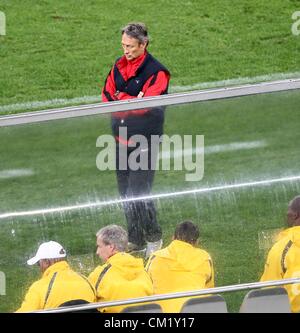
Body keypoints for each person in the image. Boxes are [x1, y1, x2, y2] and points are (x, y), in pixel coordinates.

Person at [101, 22, 171, 257]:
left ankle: (154, 236)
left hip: (145, 142)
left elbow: (145, 106)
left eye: (130, 46)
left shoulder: (157, 71)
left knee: (139, 193)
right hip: (121, 140)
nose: (126, 50)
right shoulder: (118, 66)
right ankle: (136, 239)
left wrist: (123, 100)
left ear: (144, 44)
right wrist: (130, 99)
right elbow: (106, 96)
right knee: (125, 194)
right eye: (123, 45)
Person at [145, 221, 214, 312]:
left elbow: (146, 286)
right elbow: (209, 291)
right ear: (197, 241)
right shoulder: (205, 258)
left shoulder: (155, 257)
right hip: (196, 310)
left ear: (173, 238)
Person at [88, 224, 153, 313]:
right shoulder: (142, 270)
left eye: (99, 246)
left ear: (111, 247)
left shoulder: (100, 274)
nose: (97, 252)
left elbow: (86, 299)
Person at [16, 241, 96, 312]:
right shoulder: (87, 281)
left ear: (46, 262)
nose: (39, 267)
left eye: (38, 264)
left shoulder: (39, 287)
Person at [260, 195, 300, 312]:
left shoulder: (282, 247)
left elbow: (269, 291)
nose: (286, 215)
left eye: (289, 212)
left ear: (295, 215)